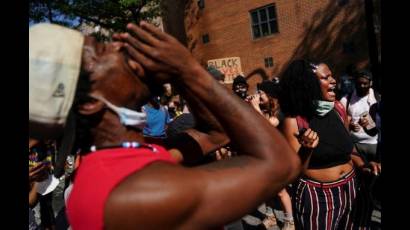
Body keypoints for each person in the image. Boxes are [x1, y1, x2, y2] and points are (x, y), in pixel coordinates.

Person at [29, 22, 301, 229]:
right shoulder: (133, 194)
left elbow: (215, 134)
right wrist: (188, 68)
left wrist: (180, 75)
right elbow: (282, 165)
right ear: (90, 103)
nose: (118, 47)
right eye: (101, 52)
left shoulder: (125, 160)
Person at [278, 60, 381, 229]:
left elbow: (349, 148)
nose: (334, 81)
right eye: (326, 78)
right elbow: (295, 173)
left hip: (353, 189)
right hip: (318, 197)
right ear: (308, 84)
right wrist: (306, 150)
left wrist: (364, 165)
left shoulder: (338, 109)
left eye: (332, 76)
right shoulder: (294, 122)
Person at [250, 80, 294, 230]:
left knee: (281, 192)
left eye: (260, 93)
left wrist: (255, 107)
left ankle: (290, 221)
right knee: (267, 188)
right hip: (267, 156)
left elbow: (268, 126)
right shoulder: (265, 111)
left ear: (270, 95)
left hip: (280, 157)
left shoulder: (280, 111)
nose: (258, 96)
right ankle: (271, 218)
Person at [340, 70, 380, 162]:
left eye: (365, 83)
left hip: (375, 144)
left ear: (371, 83)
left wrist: (372, 125)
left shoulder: (378, 98)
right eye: (359, 83)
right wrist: (349, 126)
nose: (361, 86)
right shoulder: (346, 99)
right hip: (355, 145)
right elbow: (340, 122)